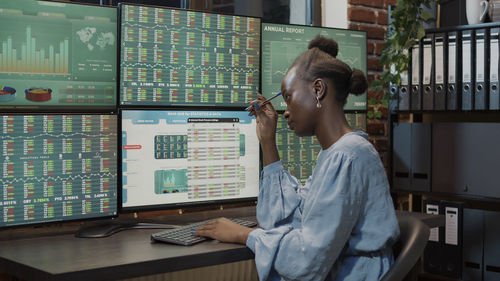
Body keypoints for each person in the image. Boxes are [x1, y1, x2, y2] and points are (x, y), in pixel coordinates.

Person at [194, 35, 400, 281]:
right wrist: (267, 141)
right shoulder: (335, 153)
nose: (286, 111)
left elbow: (307, 260)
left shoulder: (349, 155)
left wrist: (244, 235)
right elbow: (282, 219)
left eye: (288, 96)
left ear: (318, 89)